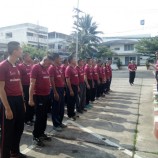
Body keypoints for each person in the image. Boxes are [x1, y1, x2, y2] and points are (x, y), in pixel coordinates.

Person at [0, 41, 26, 158]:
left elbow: (19, 84)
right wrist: (7, 108)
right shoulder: (3, 66)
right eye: (20, 49)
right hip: (8, 101)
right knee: (7, 131)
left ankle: (14, 151)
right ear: (14, 51)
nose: (21, 51)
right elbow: (1, 89)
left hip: (18, 100)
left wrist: (23, 101)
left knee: (19, 127)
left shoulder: (16, 65)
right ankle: (4, 155)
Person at [29, 55, 52, 147]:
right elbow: (32, 83)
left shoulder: (46, 68)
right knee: (39, 117)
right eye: (49, 63)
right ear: (45, 60)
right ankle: (36, 136)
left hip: (46, 96)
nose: (50, 65)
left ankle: (42, 133)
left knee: (44, 116)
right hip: (38, 96)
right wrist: (30, 98)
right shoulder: (36, 67)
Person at [48, 53, 67, 132]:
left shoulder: (59, 67)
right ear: (55, 59)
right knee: (56, 107)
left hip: (61, 89)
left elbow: (62, 78)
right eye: (59, 58)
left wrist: (64, 89)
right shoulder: (51, 68)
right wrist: (55, 92)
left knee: (61, 107)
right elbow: (51, 81)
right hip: (56, 89)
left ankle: (60, 122)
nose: (61, 59)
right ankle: (55, 124)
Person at [18, 52, 34, 126]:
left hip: (31, 86)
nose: (30, 57)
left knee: (32, 102)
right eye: (28, 56)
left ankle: (31, 118)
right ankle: (26, 119)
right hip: (25, 87)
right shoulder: (20, 66)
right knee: (26, 102)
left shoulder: (31, 66)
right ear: (24, 58)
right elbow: (19, 79)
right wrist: (21, 90)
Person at [65, 55, 79, 121]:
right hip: (71, 87)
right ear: (70, 61)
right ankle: (70, 114)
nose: (75, 60)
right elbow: (67, 80)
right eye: (74, 59)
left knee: (74, 101)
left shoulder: (74, 68)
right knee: (70, 102)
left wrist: (77, 86)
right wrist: (70, 90)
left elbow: (76, 78)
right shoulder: (68, 68)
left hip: (75, 86)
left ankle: (73, 113)